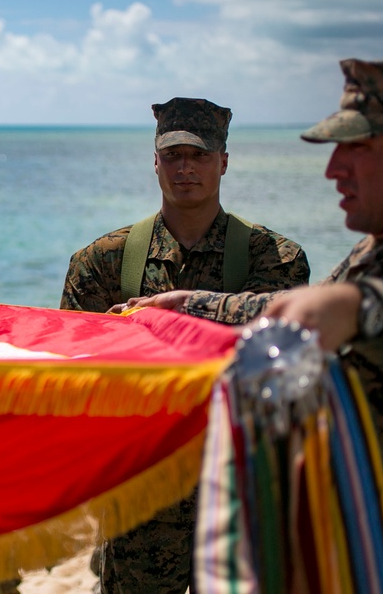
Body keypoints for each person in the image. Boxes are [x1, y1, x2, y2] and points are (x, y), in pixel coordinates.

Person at [126, 58, 383, 590]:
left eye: (358, 149)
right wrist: (188, 304)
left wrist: (361, 310)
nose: (333, 170)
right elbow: (295, 309)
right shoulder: (381, 248)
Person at [60, 97, 311, 593]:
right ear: (155, 163)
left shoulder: (275, 259)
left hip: (242, 490)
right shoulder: (103, 262)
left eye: (198, 156)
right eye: (173, 155)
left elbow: (287, 361)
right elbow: (71, 372)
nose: (185, 168)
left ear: (223, 162)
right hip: (142, 498)